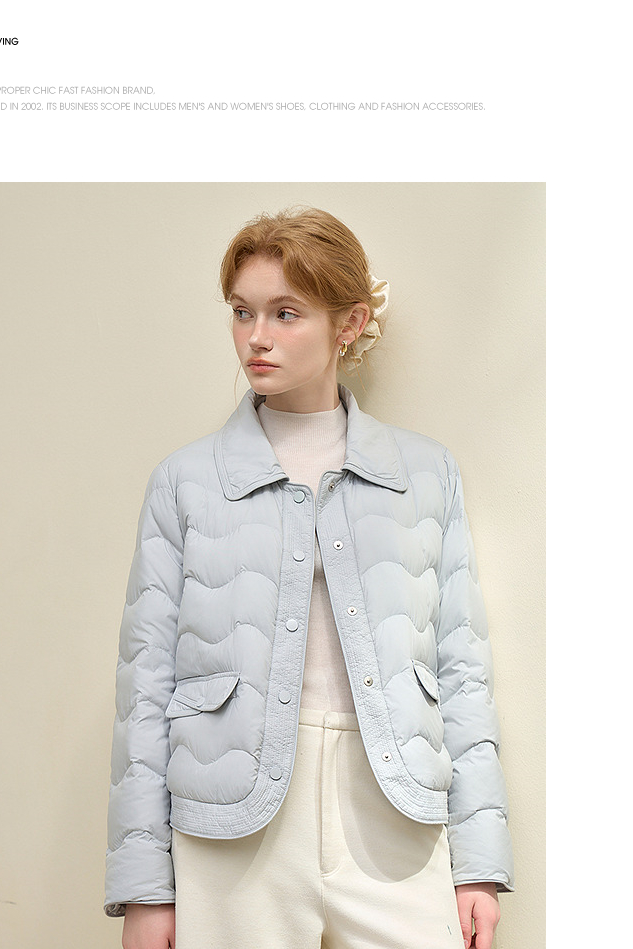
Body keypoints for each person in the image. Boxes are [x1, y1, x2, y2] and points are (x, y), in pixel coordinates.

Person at [105, 208, 514, 949]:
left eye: (285, 313)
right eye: (242, 312)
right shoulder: (185, 481)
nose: (255, 337)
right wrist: (145, 887)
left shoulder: (427, 473)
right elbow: (147, 684)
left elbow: (464, 670)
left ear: (348, 322)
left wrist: (478, 866)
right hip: (231, 824)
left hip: (395, 811)